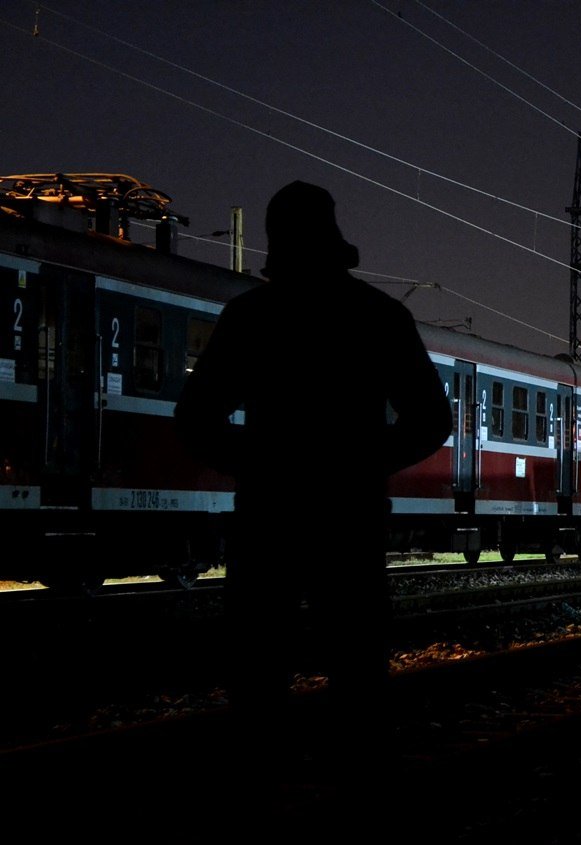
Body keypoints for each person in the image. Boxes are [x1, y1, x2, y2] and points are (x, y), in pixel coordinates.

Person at [174, 180, 452, 779]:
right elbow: (432, 418)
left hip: (269, 515)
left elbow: (196, 417)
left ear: (275, 241)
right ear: (334, 235)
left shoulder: (250, 318)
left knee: (259, 662)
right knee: (356, 662)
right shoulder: (379, 317)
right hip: (349, 517)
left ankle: (262, 779)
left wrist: (255, 459)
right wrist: (367, 459)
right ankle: (357, 782)